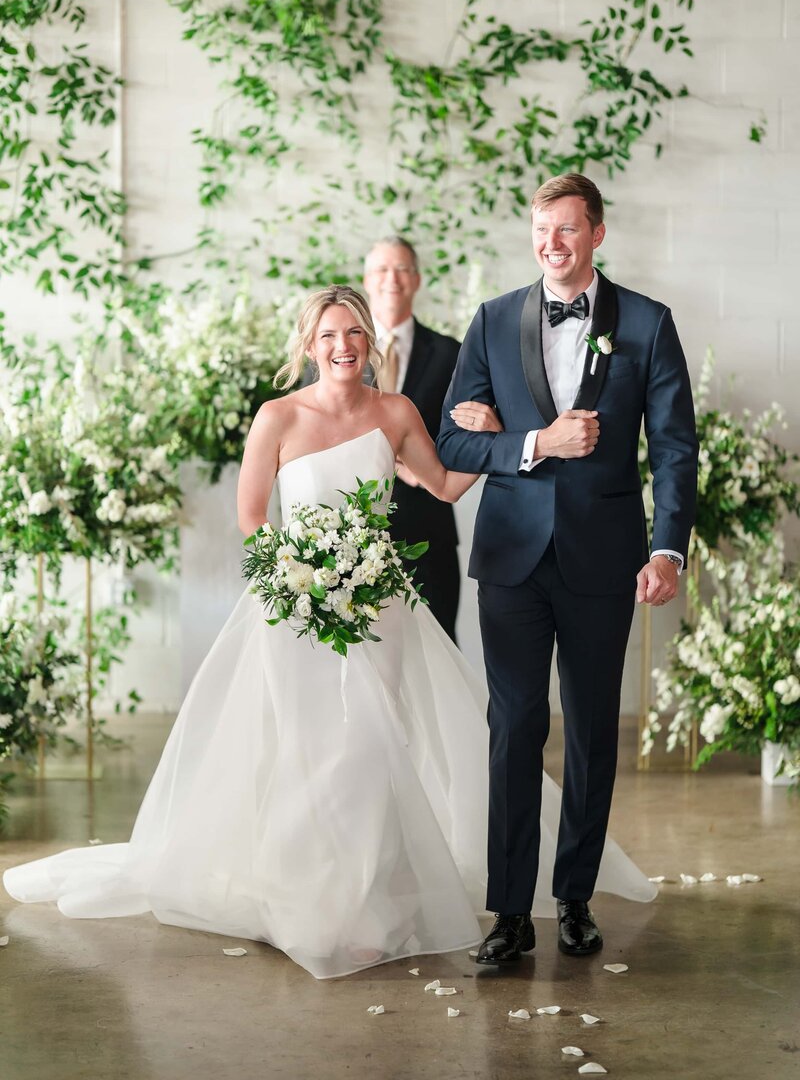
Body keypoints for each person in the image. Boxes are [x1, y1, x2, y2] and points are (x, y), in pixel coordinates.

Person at [4, 284, 657, 980]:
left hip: (379, 605)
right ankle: (307, 894)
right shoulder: (277, 417)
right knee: (312, 747)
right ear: (308, 347)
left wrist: (498, 438)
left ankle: (369, 903)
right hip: (295, 608)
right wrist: (298, 580)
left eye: (353, 334)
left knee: (372, 746)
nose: (343, 347)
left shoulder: (397, 411)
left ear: (369, 341)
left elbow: (442, 486)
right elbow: (253, 517)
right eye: (328, 337)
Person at [440, 174, 697, 965]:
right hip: (511, 558)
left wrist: (665, 547)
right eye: (540, 229)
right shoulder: (489, 322)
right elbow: (452, 445)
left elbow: (675, 448)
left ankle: (575, 896)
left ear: (597, 234)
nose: (551, 243)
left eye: (567, 229)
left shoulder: (648, 325)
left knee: (590, 728)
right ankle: (510, 913)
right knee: (514, 727)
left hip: (602, 554)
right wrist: (532, 444)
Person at [362, 237, 462, 640]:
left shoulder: (451, 353)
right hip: (350, 530)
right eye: (382, 270)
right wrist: (392, 463)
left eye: (402, 269)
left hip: (428, 529)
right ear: (367, 280)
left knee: (436, 652)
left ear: (417, 279)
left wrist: (420, 466)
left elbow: (461, 432)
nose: (392, 279)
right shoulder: (334, 352)